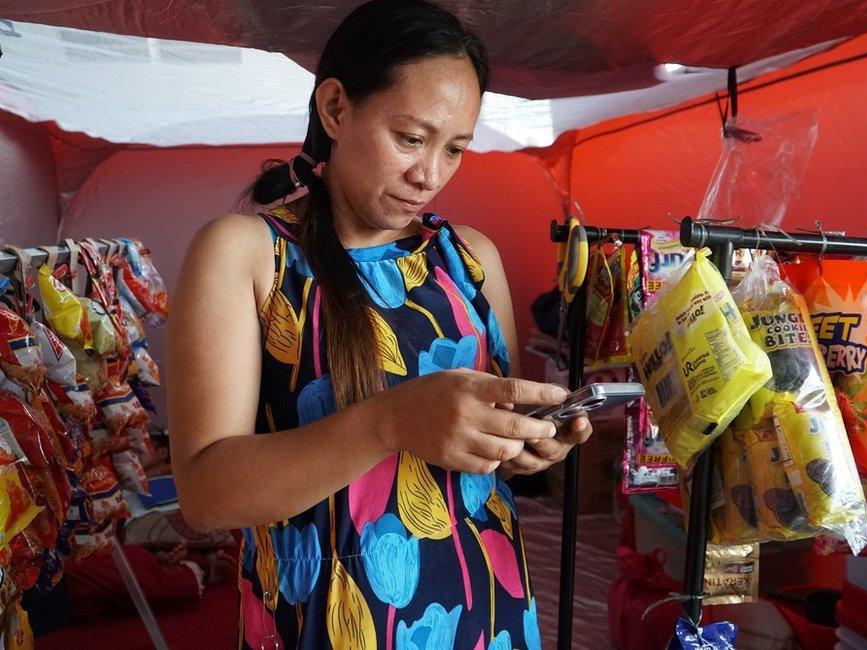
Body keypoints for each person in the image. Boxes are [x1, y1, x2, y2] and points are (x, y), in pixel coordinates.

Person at [166, 1, 594, 647]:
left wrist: (530, 448)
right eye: (411, 139)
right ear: (336, 109)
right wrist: (390, 421)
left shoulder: (472, 260)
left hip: (488, 607)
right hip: (333, 619)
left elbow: (488, 459)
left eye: (455, 149)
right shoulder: (248, 255)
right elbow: (203, 493)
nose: (429, 176)